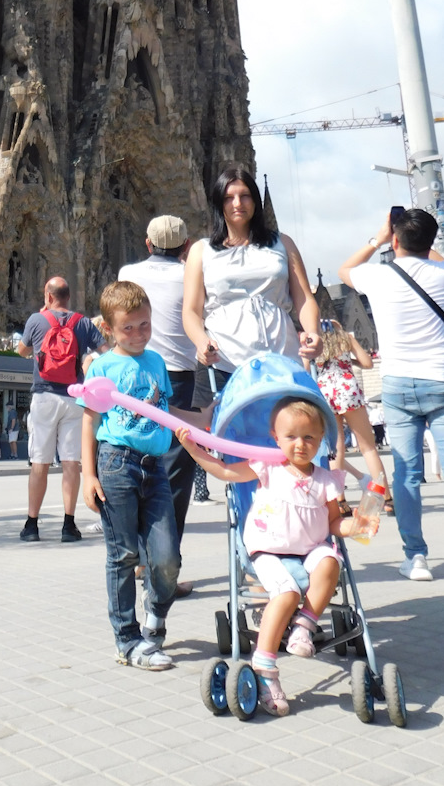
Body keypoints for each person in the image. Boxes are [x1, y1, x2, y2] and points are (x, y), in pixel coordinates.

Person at [177, 396, 370, 716]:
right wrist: (193, 450)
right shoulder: (268, 467)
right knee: (287, 592)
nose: (300, 444)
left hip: (310, 548)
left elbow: (335, 522)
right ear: (275, 438)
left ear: (320, 440)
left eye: (309, 437)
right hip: (268, 549)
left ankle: (305, 626)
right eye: (291, 437)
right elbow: (224, 472)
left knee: (330, 561)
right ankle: (265, 667)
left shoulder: (325, 479)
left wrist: (359, 525)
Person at [340, 207, 444, 585]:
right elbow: (435, 258)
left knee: (406, 474)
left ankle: (416, 558)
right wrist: (420, 241)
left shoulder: (379, 275)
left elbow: (344, 270)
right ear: (430, 241)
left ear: (395, 240)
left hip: (399, 385)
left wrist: (379, 238)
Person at [79, 280, 187, 669]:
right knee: (123, 554)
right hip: (116, 465)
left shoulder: (156, 362)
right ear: (109, 329)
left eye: (144, 325)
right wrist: (88, 477)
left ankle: (156, 612)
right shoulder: (103, 367)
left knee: (167, 555)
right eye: (128, 327)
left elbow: (165, 412)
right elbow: (89, 423)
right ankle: (127, 640)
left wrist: (200, 423)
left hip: (154, 467)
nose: (138, 334)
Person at [182, 167, 323, 381]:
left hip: (281, 358)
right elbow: (191, 311)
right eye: (229, 198)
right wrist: (201, 342)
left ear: (255, 201)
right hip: (224, 363)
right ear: (219, 203)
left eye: (244, 196)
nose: (237, 203)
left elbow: (303, 297)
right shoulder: (202, 250)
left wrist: (313, 332)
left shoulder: (282, 243)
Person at [119, 213, 197, 597]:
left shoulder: (127, 272)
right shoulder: (191, 275)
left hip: (136, 372)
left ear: (148, 244)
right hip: (179, 376)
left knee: (137, 461)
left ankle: (136, 554)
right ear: (185, 247)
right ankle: (162, 567)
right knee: (174, 476)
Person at [17, 276, 105, 542]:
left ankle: (32, 525)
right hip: (73, 398)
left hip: (43, 397)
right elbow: (106, 350)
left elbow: (22, 351)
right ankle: (69, 525)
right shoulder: (83, 323)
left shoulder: (36, 320)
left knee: (39, 463)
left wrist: (42, 320)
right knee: (71, 463)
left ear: (48, 295)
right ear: (69, 296)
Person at [315, 320, 393, 511]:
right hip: (347, 388)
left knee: (336, 450)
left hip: (326, 391)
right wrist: (350, 360)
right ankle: (386, 499)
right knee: (368, 448)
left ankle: (340, 501)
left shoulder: (316, 342)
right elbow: (367, 363)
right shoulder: (346, 339)